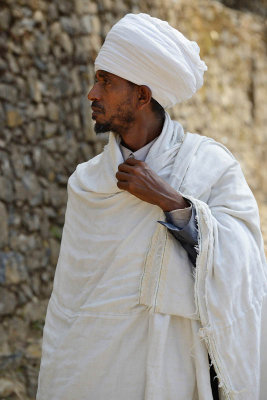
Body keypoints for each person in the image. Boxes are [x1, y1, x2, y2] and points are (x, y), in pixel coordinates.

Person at [37, 13, 266, 400]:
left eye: (105, 81)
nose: (92, 93)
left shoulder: (211, 165)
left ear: (142, 95)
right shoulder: (88, 183)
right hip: (93, 369)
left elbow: (246, 264)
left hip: (177, 363)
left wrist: (172, 202)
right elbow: (68, 302)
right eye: (97, 80)